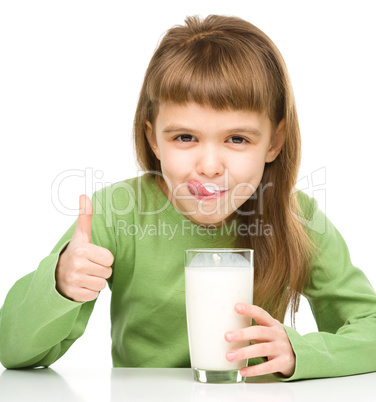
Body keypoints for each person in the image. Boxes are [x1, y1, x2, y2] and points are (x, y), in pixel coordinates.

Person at [0, 14, 375, 381]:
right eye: (185, 137)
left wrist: (298, 353)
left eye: (237, 139)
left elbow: (369, 329)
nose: (210, 166)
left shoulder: (297, 219)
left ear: (274, 142)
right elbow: (14, 352)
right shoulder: (117, 215)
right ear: (153, 139)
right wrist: (61, 283)